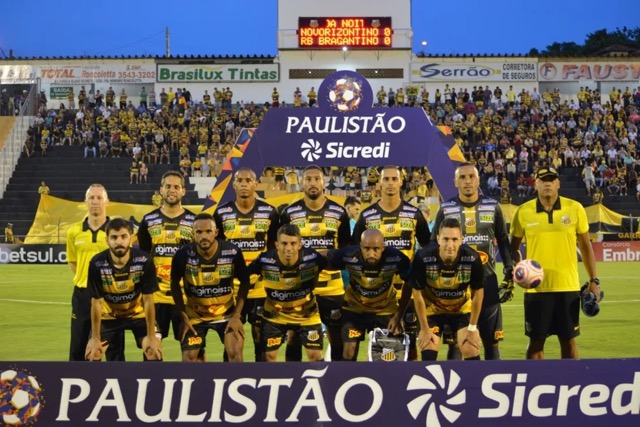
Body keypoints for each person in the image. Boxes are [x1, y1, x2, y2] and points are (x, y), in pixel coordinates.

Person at [510, 167, 600, 359]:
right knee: (536, 343)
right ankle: (535, 379)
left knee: (569, 341)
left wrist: (594, 280)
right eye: (543, 180)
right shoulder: (523, 212)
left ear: (558, 183)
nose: (547, 183)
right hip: (536, 289)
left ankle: (570, 378)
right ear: (535, 184)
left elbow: (586, 247)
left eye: (551, 180)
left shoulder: (575, 208)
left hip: (568, 287)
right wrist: (517, 271)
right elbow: (513, 249)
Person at [431, 162, 513, 360]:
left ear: (478, 180)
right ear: (455, 182)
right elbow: (434, 245)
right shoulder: (446, 209)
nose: (467, 181)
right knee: (456, 344)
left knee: (491, 342)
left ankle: (492, 379)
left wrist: (509, 268)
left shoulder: (493, 207)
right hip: (455, 286)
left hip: (488, 282)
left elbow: (503, 240)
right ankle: (457, 381)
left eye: (471, 177)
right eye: (462, 177)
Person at [352, 165, 431, 360]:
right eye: (386, 179)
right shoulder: (367, 215)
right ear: (379, 182)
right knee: (381, 350)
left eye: (394, 179)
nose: (390, 183)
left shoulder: (414, 214)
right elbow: (353, 252)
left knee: (411, 350)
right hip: (377, 295)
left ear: (401, 182)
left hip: (408, 292)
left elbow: (428, 249)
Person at [280, 165, 351, 361]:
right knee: (294, 336)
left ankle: (335, 377)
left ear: (324, 182)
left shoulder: (339, 212)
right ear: (301, 183)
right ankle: (293, 377)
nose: (313, 183)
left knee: (337, 338)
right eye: (308, 179)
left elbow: (345, 250)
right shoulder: (289, 213)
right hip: (298, 286)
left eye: (316, 179)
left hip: (331, 287)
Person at [213, 168, 280, 362]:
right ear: (233, 184)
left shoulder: (269, 212)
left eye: (248, 180)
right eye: (240, 180)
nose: (244, 184)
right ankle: (232, 377)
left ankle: (261, 377)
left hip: (261, 288)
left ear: (255, 184)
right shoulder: (221, 212)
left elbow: (274, 249)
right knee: (232, 339)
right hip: (231, 290)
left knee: (261, 339)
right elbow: (218, 249)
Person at [171, 213, 250, 362]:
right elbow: (174, 283)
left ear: (216, 232)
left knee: (235, 355)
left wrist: (236, 315)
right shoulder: (182, 255)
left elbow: (245, 282)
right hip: (195, 317)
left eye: (208, 231)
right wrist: (184, 317)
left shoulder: (232, 252)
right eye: (199, 232)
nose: (204, 236)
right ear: (193, 234)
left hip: (226, 315)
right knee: (188, 359)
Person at [327, 229, 412, 361]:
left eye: (376, 249)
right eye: (366, 248)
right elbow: (323, 258)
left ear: (383, 247)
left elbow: (410, 282)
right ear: (360, 246)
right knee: (348, 353)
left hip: (385, 309)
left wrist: (398, 315)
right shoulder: (348, 254)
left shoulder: (396, 257)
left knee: (388, 356)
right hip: (355, 309)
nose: (371, 253)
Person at [85, 218, 162, 361]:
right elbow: (96, 303)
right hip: (109, 316)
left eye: (123, 237)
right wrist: (95, 338)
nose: (119, 242)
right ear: (107, 240)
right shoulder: (97, 263)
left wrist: (151, 335)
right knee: (93, 353)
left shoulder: (144, 260)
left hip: (138, 315)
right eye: (114, 237)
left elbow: (148, 300)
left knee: (154, 352)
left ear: (131, 238)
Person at [248, 224, 328, 362]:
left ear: (300, 244)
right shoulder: (265, 260)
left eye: (293, 243)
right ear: (277, 245)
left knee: (315, 356)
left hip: (306, 315)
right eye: (284, 243)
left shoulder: (312, 257)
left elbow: (323, 268)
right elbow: (245, 275)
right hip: (275, 316)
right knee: (269, 357)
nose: (288, 248)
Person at [137, 171, 197, 356]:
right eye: (168, 186)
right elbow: (142, 260)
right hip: (156, 298)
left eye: (176, 187)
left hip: (186, 299)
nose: (172, 190)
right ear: (161, 190)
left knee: (193, 354)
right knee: (152, 351)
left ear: (183, 191)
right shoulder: (148, 221)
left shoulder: (194, 222)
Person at [410, 217, 484, 361]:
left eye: (454, 239)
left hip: (461, 309)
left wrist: (472, 328)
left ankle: (471, 378)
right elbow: (417, 294)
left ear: (461, 240)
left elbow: (478, 293)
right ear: (438, 239)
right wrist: (424, 329)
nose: (450, 245)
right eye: (446, 239)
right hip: (432, 310)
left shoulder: (472, 258)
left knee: (471, 348)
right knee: (428, 347)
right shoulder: (423, 257)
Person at [66, 184, 123, 361]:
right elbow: (73, 262)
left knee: (114, 349)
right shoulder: (74, 231)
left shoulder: (117, 232)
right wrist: (88, 281)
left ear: (107, 201)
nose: (95, 201)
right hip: (83, 295)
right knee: (78, 346)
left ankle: (117, 378)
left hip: (111, 296)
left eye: (99, 198)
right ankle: (76, 377)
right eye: (91, 198)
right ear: (85, 201)